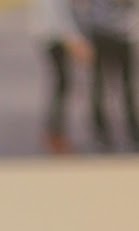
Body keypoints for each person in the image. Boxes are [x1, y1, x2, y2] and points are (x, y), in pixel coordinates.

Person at [30, 0, 93, 154]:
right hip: (55, 38)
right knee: (62, 86)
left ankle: (55, 132)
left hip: (50, 36)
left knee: (62, 85)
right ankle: (55, 133)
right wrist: (75, 40)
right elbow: (61, 16)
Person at [74, 0, 139, 147]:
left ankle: (134, 130)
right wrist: (81, 36)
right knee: (99, 85)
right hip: (101, 33)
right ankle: (101, 132)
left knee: (128, 86)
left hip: (124, 34)